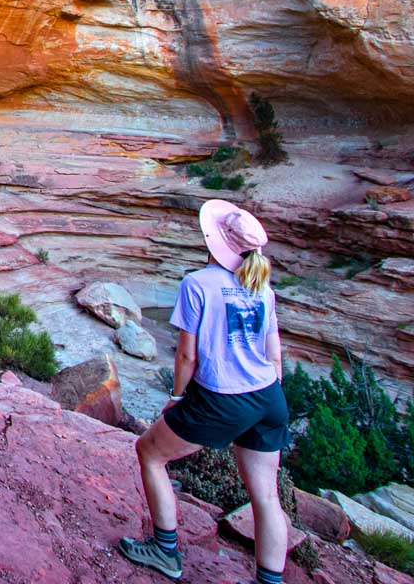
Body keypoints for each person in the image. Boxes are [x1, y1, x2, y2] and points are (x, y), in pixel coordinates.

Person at [117, 199, 291, 584]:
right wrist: (267, 392)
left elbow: (186, 355)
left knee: (150, 452)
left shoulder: (198, 283)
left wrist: (178, 397)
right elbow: (272, 350)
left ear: (213, 242)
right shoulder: (262, 287)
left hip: (222, 399)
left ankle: (165, 552)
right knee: (266, 496)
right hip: (267, 395)